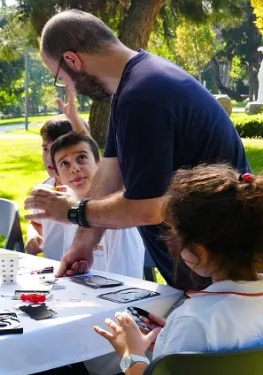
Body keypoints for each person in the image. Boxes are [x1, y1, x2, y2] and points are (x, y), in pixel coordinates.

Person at [26, 10, 250, 290]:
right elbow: (110, 170)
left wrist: (73, 211)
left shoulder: (141, 96)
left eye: (60, 77)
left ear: (73, 60)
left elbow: (148, 208)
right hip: (212, 274)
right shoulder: (134, 85)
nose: (67, 86)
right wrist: (84, 243)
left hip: (224, 278)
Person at [93, 165, 263, 374]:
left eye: (175, 233)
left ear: (201, 252)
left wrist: (131, 354)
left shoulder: (192, 321)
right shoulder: (192, 322)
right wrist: (169, 335)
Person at [49, 132, 144, 278]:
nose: (74, 168)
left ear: (99, 164)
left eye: (81, 158)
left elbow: (127, 278)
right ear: (58, 178)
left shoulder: (116, 217)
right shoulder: (70, 212)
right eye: (65, 164)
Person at [26, 87, 89, 258]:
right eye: (45, 149)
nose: (50, 157)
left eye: (57, 150)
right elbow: (36, 222)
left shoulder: (87, 190)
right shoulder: (45, 187)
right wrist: (33, 236)